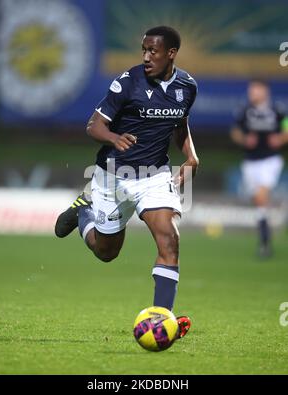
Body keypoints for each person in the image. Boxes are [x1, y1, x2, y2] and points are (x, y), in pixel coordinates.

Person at [55, 26, 199, 338]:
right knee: (106, 252)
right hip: (112, 177)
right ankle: (84, 213)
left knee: (169, 239)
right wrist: (113, 137)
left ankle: (162, 320)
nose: (146, 56)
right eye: (144, 50)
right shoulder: (128, 82)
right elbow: (94, 126)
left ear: (171, 53)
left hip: (155, 176)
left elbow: (180, 123)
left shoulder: (187, 86)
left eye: (154, 51)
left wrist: (191, 156)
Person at [230, 79, 288, 258]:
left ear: (265, 91)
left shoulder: (277, 109)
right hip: (250, 162)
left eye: (255, 90)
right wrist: (244, 139)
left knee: (261, 196)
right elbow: (236, 132)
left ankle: (264, 241)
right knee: (258, 201)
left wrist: (280, 139)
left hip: (270, 160)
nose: (252, 93)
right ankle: (266, 235)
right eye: (251, 90)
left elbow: (286, 126)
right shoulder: (245, 110)